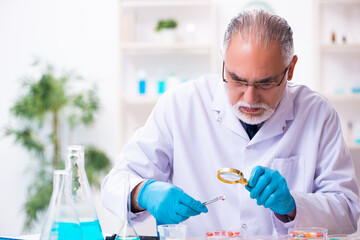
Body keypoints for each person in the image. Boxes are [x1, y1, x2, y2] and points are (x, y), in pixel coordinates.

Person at [102, 10, 360, 236]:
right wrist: (143, 192)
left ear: (290, 69)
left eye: (265, 82)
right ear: (223, 62)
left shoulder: (317, 113)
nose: (249, 98)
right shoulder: (180, 105)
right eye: (237, 79)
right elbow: (114, 183)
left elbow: (348, 211)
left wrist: (292, 205)